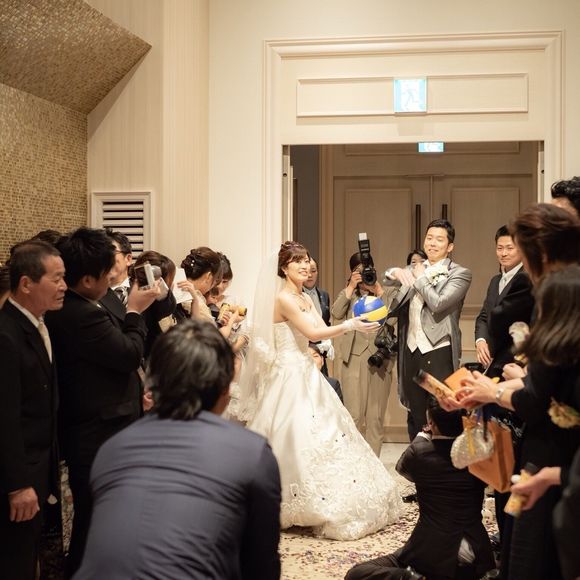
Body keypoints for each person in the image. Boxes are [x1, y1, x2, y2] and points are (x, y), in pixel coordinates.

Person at [74, 320, 281, 580]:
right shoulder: (250, 452)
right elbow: (261, 563)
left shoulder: (112, 448)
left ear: (152, 385)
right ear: (225, 389)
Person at [237, 241, 402, 541]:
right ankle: (288, 501)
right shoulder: (284, 299)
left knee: (328, 432)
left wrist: (351, 324)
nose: (304, 266)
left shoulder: (303, 296)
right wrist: (351, 325)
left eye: (307, 260)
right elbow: (313, 332)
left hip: (305, 370)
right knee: (292, 435)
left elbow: (321, 327)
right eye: (297, 261)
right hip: (287, 376)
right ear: (284, 267)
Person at [45, 227, 159, 577]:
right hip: (96, 432)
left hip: (107, 423)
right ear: (87, 279)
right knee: (94, 520)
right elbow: (127, 353)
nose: (113, 276)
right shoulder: (78, 313)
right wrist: (135, 311)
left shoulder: (92, 301)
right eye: (107, 271)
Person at [456, 264, 580, 580]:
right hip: (544, 460)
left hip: (555, 458)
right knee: (519, 542)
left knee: (534, 552)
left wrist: (494, 391)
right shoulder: (562, 353)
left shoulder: (561, 352)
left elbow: (537, 396)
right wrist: (486, 390)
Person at [346, 399, 494, 580]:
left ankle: (412, 578)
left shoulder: (420, 451)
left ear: (431, 424)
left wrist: (422, 436)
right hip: (476, 551)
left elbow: (402, 469)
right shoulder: (479, 455)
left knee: (356, 573)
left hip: (430, 551)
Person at [0, 241, 67, 579]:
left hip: (40, 469)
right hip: (18, 479)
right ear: (26, 283)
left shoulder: (39, 323)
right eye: (56, 279)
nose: (64, 286)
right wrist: (18, 485)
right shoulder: (6, 335)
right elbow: (5, 418)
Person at [383, 219, 472, 441]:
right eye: (429, 238)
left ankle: (441, 459)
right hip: (411, 350)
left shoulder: (460, 273)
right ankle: (419, 459)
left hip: (438, 349)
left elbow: (438, 303)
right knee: (416, 414)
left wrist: (420, 277)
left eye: (439, 240)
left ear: (450, 246)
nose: (432, 243)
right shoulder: (415, 268)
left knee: (441, 413)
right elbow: (387, 279)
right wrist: (395, 271)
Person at [331, 252, 397, 456]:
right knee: (353, 416)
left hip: (380, 360)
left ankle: (374, 466)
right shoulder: (349, 295)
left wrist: (378, 290)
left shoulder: (387, 293)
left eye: (366, 269)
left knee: (375, 418)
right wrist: (351, 287)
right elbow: (336, 313)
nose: (363, 274)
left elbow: (392, 319)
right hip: (353, 359)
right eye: (357, 271)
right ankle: (354, 464)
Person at [475, 225, 534, 377]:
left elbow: (508, 321)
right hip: (493, 358)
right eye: (499, 248)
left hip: (515, 359)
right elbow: (484, 316)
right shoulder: (495, 281)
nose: (504, 253)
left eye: (510, 248)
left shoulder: (527, 279)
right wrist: (481, 340)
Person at [174, 246, 222, 323]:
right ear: (208, 276)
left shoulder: (173, 288)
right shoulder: (199, 303)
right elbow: (209, 330)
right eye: (214, 281)